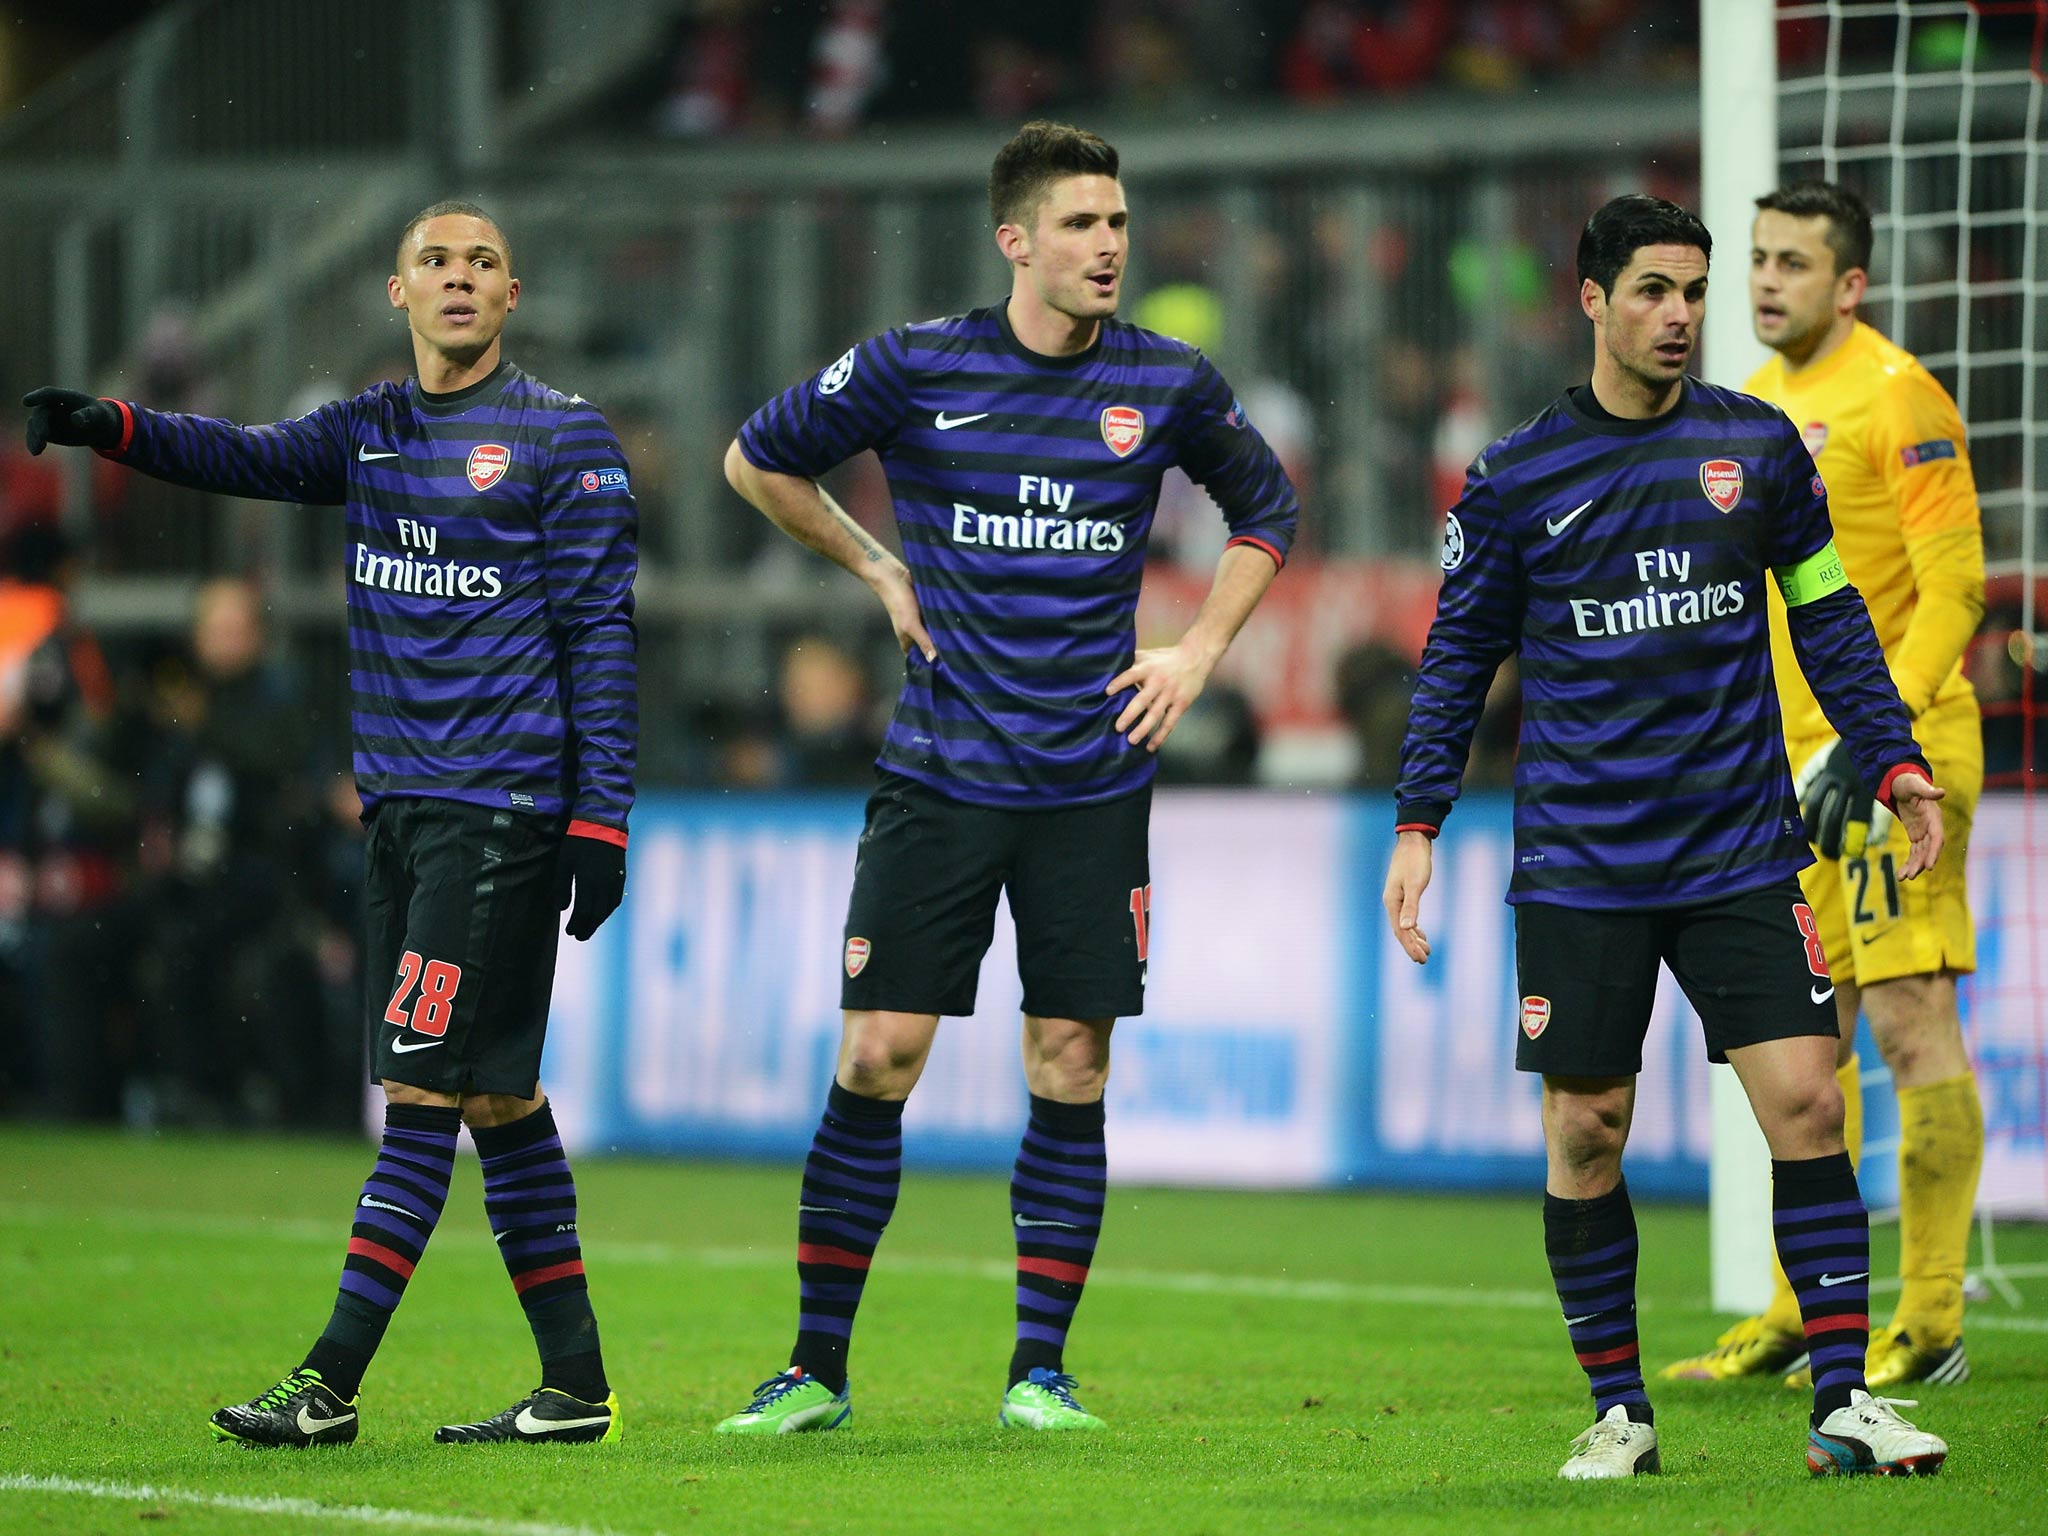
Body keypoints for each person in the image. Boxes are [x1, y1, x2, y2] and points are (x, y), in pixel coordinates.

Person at [713, 120, 1297, 1434]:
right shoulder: (922, 366)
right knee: (878, 1052)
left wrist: (1198, 651)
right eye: (1083, 225)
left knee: (1070, 1058)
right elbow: (757, 457)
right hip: (942, 773)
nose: (1109, 246)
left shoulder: (1165, 380)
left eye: (1120, 223)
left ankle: (1039, 1371)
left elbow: (1269, 510)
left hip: (1093, 780)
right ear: (1015, 241)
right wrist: (874, 563)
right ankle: (815, 1370)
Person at [23, 199, 637, 1448]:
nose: (458, 279)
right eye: (434, 262)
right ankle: (574, 1386)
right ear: (396, 294)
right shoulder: (368, 432)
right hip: (405, 813)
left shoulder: (563, 440)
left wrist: (602, 818)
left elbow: (600, 636)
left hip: (498, 812)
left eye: (481, 264)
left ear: (511, 297)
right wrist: (114, 427)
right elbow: (240, 454)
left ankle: (329, 1385)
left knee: (418, 1093)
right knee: (497, 1099)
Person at [1383, 193, 1951, 1480]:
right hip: (1583, 863)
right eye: (1650, 290)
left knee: (1809, 1100)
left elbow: (1829, 617)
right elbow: (1455, 657)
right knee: (1587, 1128)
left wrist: (1891, 757)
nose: (1678, 314)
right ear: (1589, 299)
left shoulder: (1753, 449)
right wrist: (1420, 816)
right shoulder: (1520, 474)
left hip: (1737, 847)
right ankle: (1619, 1412)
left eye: (1691, 291)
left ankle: (1843, 1400)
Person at [1662, 180, 1986, 1393]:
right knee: (1802, 1043)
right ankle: (1805, 1307)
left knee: (1909, 1025)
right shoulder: (1749, 406)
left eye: (1791, 263)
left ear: (1848, 284)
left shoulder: (1898, 399)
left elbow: (1955, 588)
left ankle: (1932, 1317)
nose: (1762, 282)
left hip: (1897, 757)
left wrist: (1876, 733)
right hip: (1789, 773)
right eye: (1756, 259)